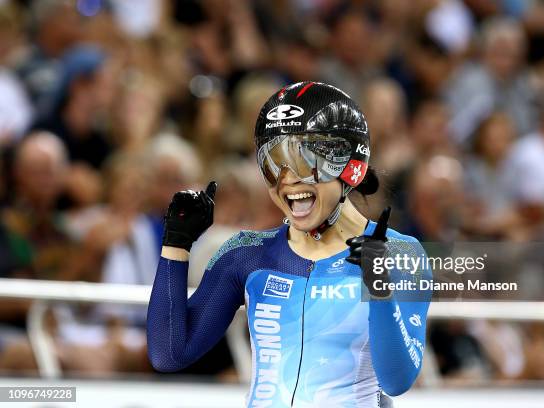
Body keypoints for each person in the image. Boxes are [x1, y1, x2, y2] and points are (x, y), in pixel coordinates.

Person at [147, 82, 431, 407]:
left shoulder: (400, 253)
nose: (287, 180)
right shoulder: (247, 254)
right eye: (272, 165)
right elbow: (168, 354)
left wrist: (379, 288)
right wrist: (176, 244)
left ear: (350, 166)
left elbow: (398, 381)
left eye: (304, 162)